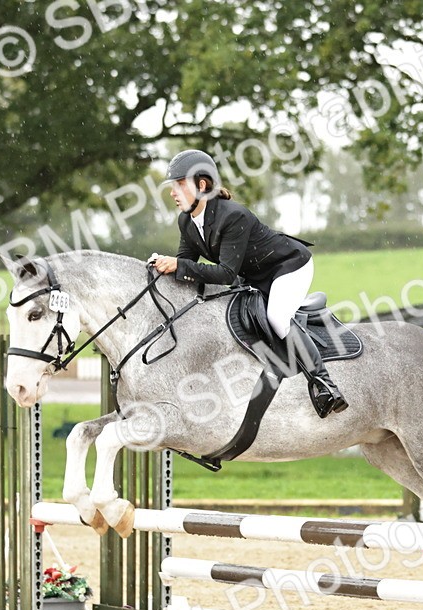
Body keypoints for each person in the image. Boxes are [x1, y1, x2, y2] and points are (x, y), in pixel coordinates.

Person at [149, 149, 348, 417]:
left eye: (180, 184)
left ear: (202, 185)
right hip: (254, 276)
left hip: (288, 266)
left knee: (277, 317)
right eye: (173, 186)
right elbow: (186, 264)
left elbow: (226, 274)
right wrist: (164, 266)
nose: (173, 192)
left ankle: (325, 385)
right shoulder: (186, 220)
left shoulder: (232, 216)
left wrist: (179, 265)